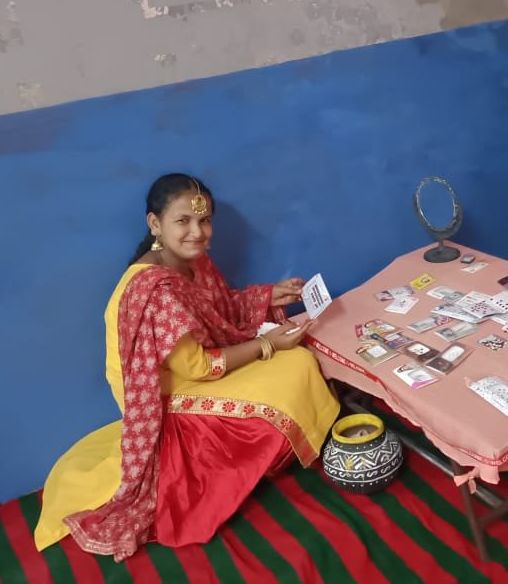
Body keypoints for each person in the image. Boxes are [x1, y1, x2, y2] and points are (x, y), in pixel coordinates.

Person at [33, 174, 340, 560]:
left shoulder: (192, 261)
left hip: (197, 375)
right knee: (291, 370)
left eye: (205, 220)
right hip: (167, 403)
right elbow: (201, 366)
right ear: (155, 224)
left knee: (295, 363)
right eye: (183, 221)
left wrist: (269, 295)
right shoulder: (155, 291)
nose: (198, 232)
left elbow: (221, 308)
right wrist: (267, 345)